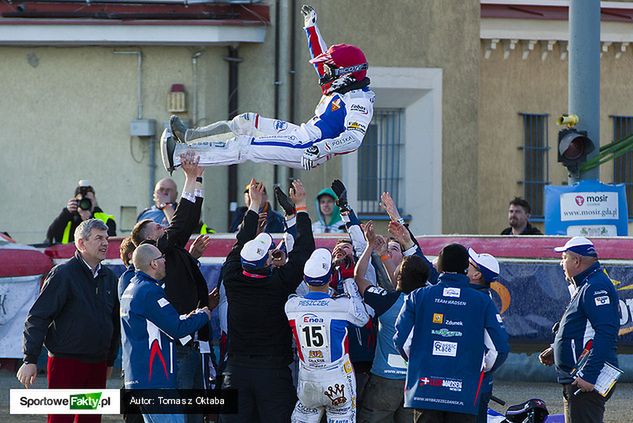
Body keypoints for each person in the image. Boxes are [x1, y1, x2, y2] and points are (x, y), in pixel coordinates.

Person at [161, 4, 374, 172]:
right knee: (245, 121)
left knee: (245, 146)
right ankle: (189, 136)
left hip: (308, 147)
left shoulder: (359, 100)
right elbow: (319, 57)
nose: (325, 71)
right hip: (303, 134)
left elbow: (354, 139)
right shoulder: (341, 86)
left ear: (347, 71)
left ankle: (179, 156)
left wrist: (323, 147)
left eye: (331, 68)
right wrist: (310, 26)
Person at [219, 179, 314, 423]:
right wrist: (300, 207)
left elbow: (240, 242)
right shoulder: (279, 283)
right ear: (268, 262)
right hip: (273, 375)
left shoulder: (231, 277)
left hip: (236, 372)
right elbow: (304, 251)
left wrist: (253, 206)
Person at [131, 151, 212, 423]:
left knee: (192, 412)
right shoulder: (159, 249)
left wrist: (195, 179)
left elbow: (184, 223)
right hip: (175, 348)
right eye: (157, 227)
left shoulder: (169, 251)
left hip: (188, 344)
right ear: (147, 243)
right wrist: (192, 178)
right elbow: (183, 222)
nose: (163, 227)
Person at [18, 219, 120, 423]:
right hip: (66, 363)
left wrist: (109, 359)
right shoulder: (63, 274)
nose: (105, 243)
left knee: (89, 420)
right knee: (60, 420)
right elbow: (38, 316)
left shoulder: (109, 277)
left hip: (97, 364)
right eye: (99, 238)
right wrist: (30, 359)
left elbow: (113, 322)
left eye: (106, 238)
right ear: (81, 243)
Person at [394, 243, 509, 423]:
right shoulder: (483, 302)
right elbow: (499, 348)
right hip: (464, 393)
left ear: (440, 266)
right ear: (465, 269)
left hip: (425, 391)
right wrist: (477, 367)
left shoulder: (417, 296)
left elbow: (401, 340)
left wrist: (420, 360)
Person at [120, 243, 212, 423]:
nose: (165, 262)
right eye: (162, 258)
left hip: (140, 379)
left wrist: (186, 317)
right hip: (156, 381)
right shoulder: (149, 291)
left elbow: (162, 323)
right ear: (153, 264)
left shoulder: (131, 288)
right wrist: (203, 315)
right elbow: (177, 329)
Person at [538, 237, 620, 423]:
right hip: (578, 378)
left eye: (564, 257)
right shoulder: (587, 284)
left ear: (576, 261)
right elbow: (582, 329)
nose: (561, 262)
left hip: (586, 380)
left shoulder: (595, 286)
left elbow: (606, 333)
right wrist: (557, 350)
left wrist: (589, 374)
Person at [355, 221, 429, 423]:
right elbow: (399, 280)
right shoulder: (431, 303)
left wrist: (370, 246)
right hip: (415, 382)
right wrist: (384, 255)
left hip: (384, 379)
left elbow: (359, 276)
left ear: (398, 275)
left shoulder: (386, 301)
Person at [285, 248, 370, 422]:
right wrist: (347, 280)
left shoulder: (291, 305)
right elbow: (363, 318)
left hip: (308, 379)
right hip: (337, 378)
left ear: (305, 278)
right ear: (330, 277)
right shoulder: (342, 305)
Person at [467, 248, 503, 423]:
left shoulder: (480, 301)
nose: (465, 265)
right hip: (479, 382)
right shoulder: (480, 297)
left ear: (476, 275)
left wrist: (483, 369)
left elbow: (499, 349)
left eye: (470, 264)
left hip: (476, 382)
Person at [46, 180, 116, 244]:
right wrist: (66, 212)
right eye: (81, 201)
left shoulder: (107, 221)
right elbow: (50, 236)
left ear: (94, 201)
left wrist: (90, 220)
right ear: (75, 201)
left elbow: (110, 244)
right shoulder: (67, 219)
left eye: (89, 200)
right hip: (67, 256)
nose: (85, 204)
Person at [137, 177, 213, 234]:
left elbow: (181, 231)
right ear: (154, 194)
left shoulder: (184, 211)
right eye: (161, 189)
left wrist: (166, 206)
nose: (164, 193)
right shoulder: (145, 214)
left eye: (168, 190)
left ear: (176, 195)